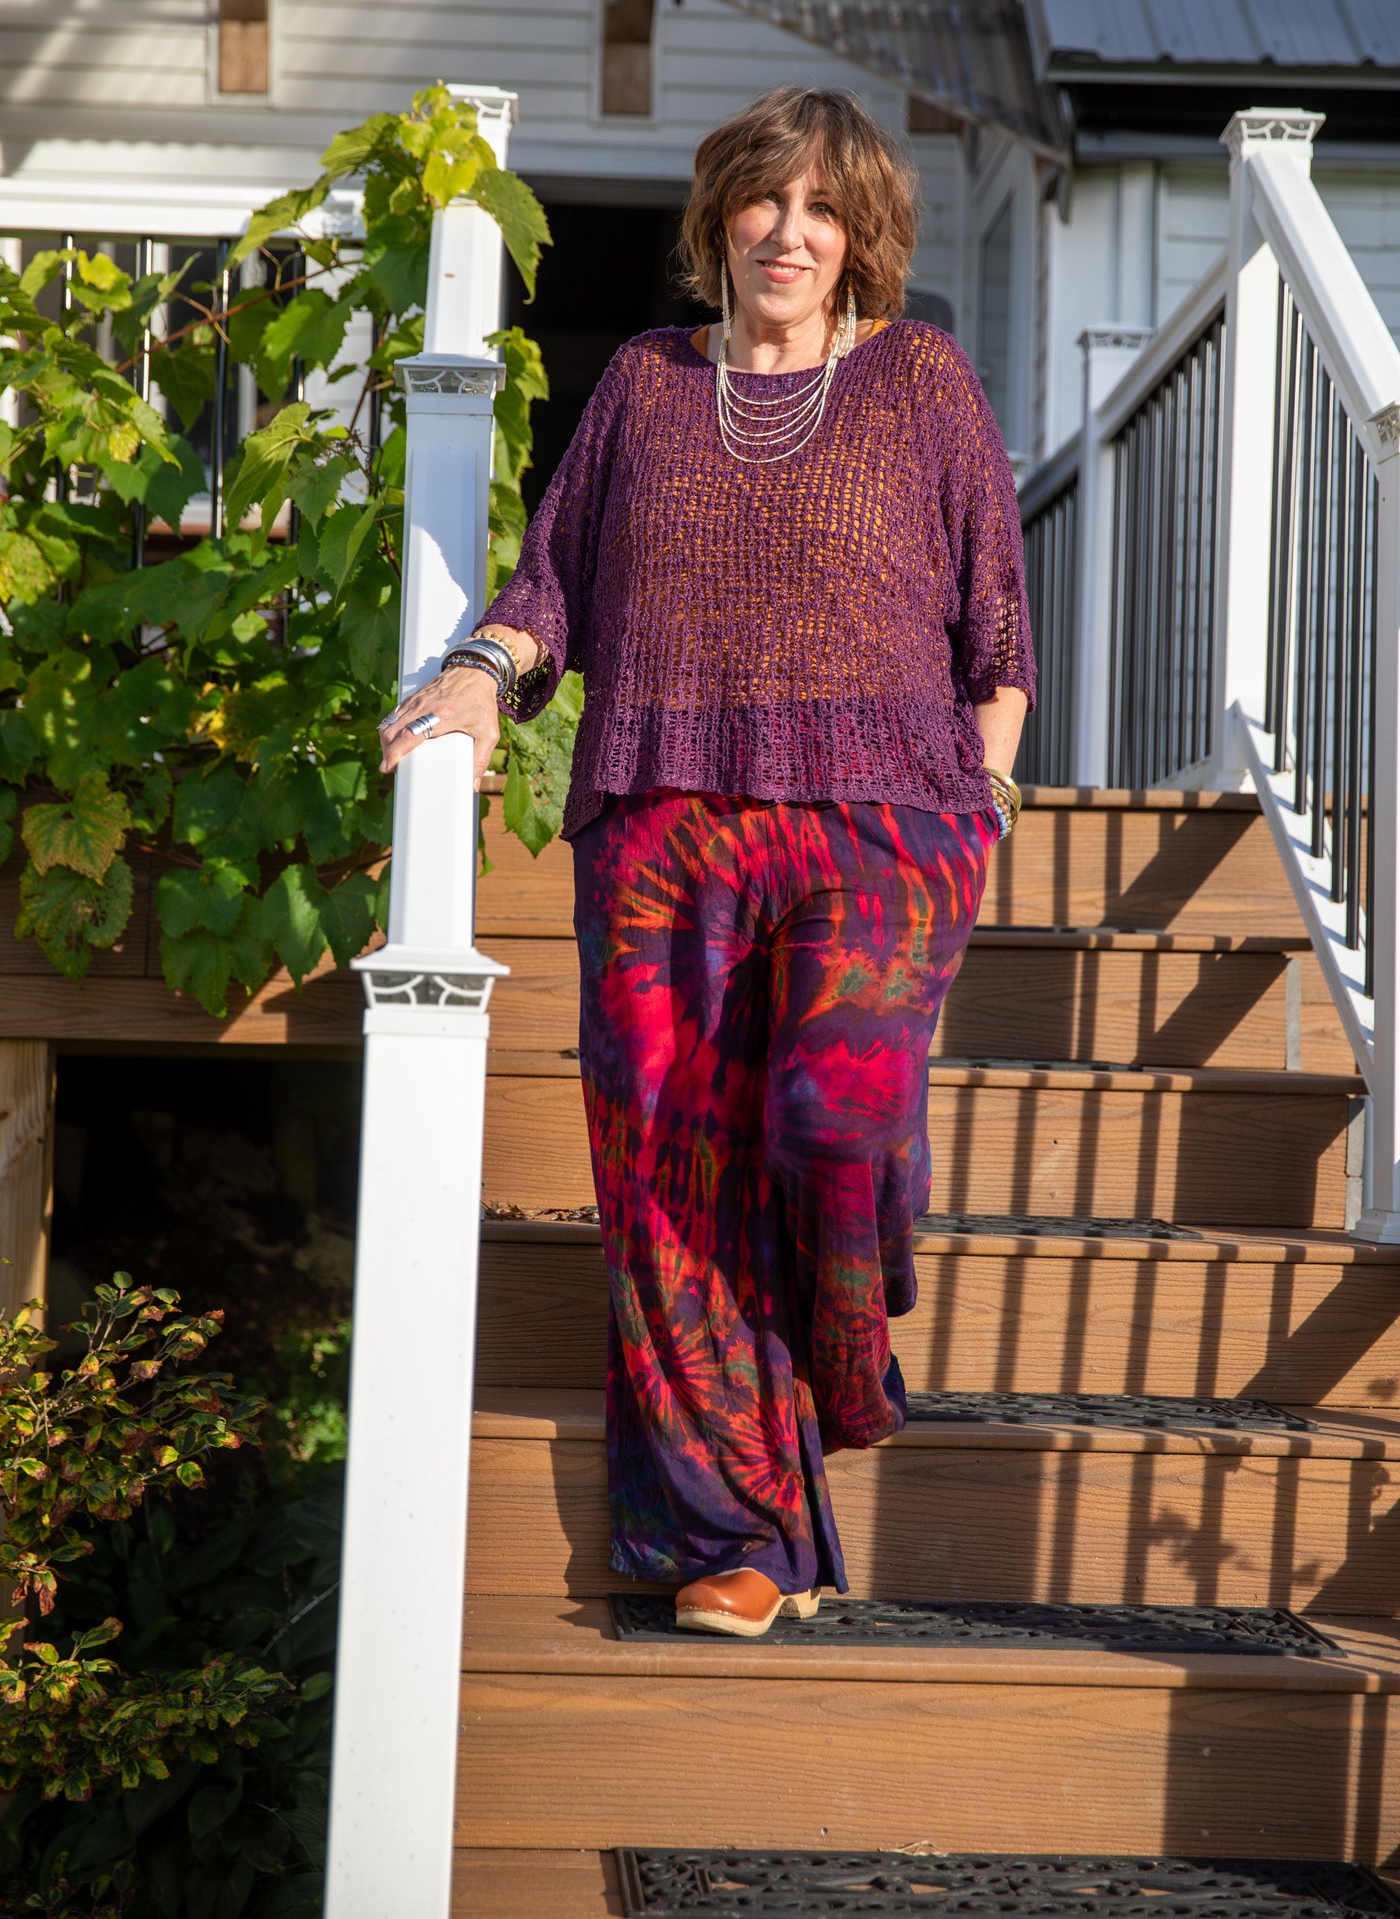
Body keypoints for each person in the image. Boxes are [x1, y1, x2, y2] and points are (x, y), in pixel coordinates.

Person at [379, 85, 1034, 1639]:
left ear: (860, 233)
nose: (790, 234)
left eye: (821, 209)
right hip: (667, 822)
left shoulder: (924, 382)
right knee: (671, 1178)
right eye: (764, 202)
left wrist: (984, 802)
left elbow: (996, 635)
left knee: (833, 1118)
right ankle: (739, 1537)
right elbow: (551, 585)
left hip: (887, 813)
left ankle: (847, 1351)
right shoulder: (644, 387)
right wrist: (479, 671)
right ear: (720, 220)